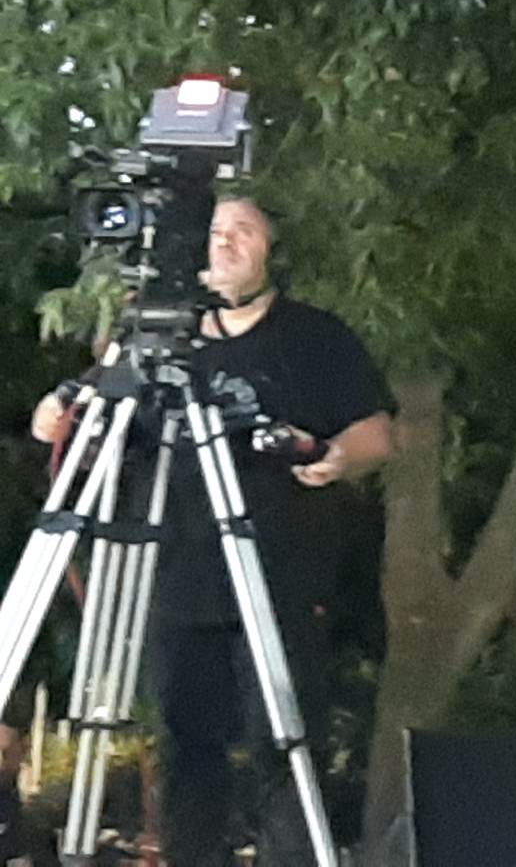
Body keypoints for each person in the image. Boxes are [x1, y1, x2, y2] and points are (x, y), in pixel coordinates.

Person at [30, 196, 395, 867]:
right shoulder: (150, 341)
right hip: (177, 581)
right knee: (186, 748)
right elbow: (71, 421)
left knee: (285, 743)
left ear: (270, 249)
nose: (224, 243)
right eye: (213, 231)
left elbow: (376, 433)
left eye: (243, 231)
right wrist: (59, 411)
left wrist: (339, 456)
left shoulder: (314, 337)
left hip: (280, 580)